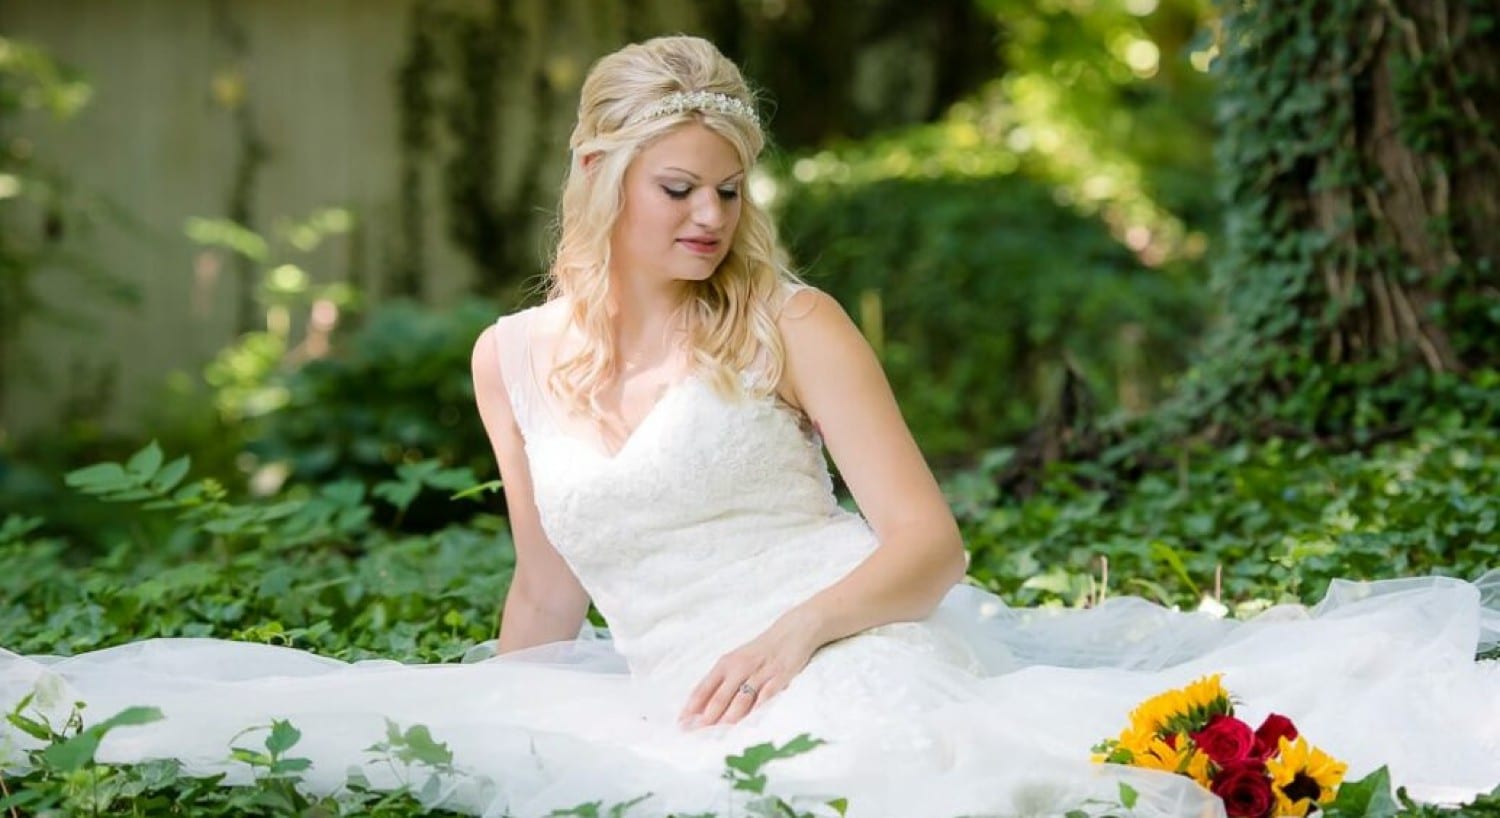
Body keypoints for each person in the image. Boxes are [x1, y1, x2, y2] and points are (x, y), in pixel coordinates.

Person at [3, 34, 1499, 818]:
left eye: (730, 188)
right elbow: (544, 588)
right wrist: (510, 705)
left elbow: (928, 545)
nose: (713, 215)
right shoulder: (510, 355)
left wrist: (795, 634)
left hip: (853, 640)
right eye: (680, 189)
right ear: (601, 177)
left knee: (918, 777)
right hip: (659, 677)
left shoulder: (795, 322)